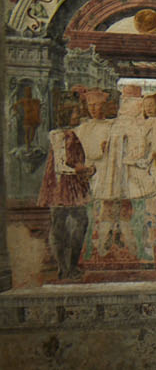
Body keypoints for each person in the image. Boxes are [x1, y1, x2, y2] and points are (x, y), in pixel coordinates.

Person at [40, 95, 91, 279]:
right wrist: (80, 170)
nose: (78, 115)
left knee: (81, 223)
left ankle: (72, 265)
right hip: (60, 185)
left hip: (76, 184)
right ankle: (63, 267)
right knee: (59, 226)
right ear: (66, 114)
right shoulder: (58, 135)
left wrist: (88, 169)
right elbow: (60, 165)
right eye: (75, 112)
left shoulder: (76, 132)